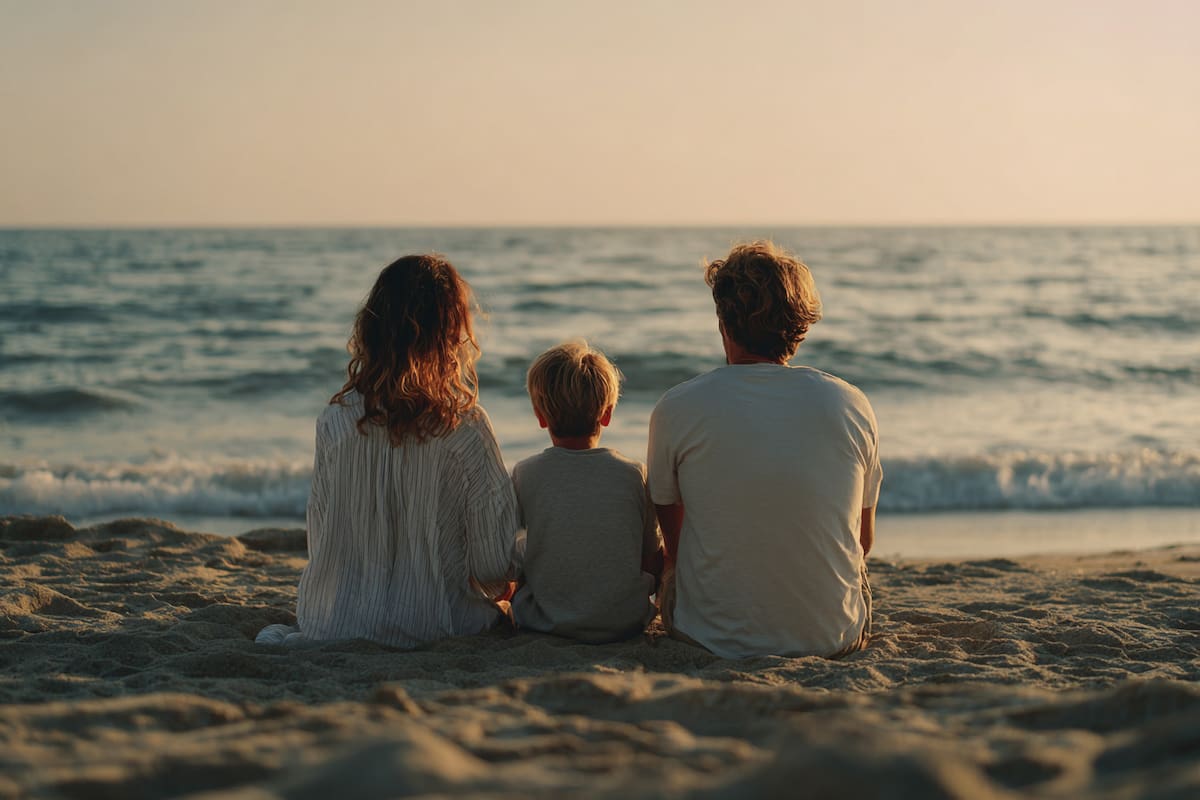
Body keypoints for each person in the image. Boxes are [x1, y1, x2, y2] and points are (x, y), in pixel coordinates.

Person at [257, 254, 519, 648]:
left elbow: (321, 537)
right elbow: (493, 568)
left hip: (335, 624)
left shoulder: (335, 421)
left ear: (372, 329)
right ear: (449, 334)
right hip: (437, 627)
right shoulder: (465, 428)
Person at [647, 241, 882, 659]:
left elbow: (676, 551)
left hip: (708, 639)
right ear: (800, 328)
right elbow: (861, 542)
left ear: (723, 322)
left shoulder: (677, 407)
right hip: (833, 637)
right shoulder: (850, 404)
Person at [509, 341, 664, 643]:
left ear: (540, 416)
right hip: (625, 621)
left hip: (545, 621)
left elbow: (510, 559)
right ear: (607, 414)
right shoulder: (632, 474)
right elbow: (650, 558)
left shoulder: (525, 473)